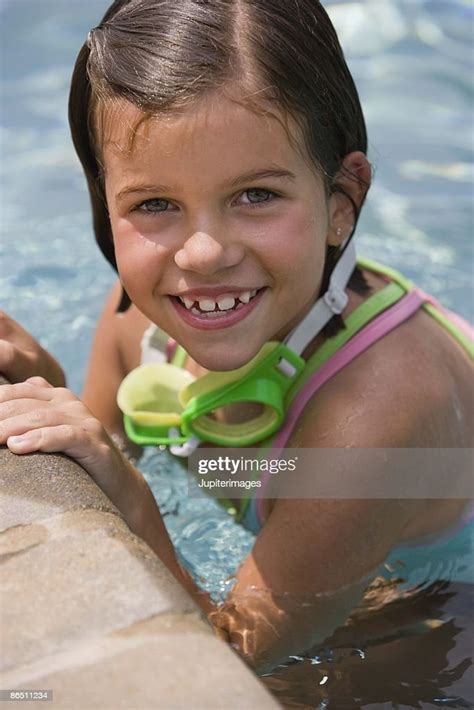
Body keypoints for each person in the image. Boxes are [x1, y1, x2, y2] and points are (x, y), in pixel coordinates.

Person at [0, 0, 472, 674]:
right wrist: (43, 388)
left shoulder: (376, 416)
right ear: (105, 209)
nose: (201, 253)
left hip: (443, 606)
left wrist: (131, 495)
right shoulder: (140, 317)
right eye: (154, 204)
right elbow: (98, 442)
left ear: (342, 202)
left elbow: (226, 665)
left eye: (255, 194)